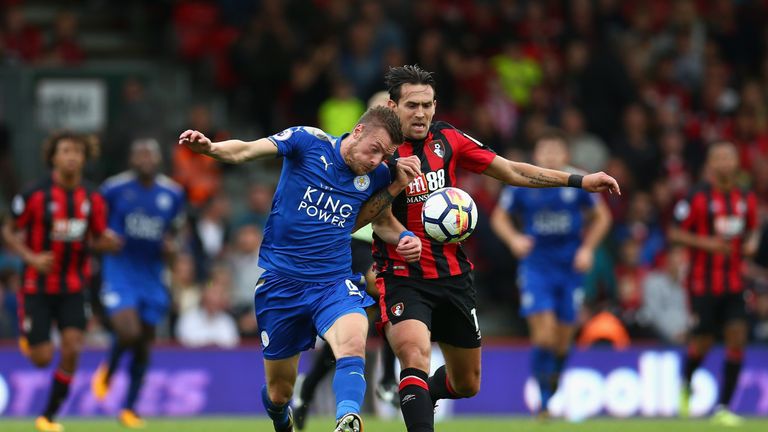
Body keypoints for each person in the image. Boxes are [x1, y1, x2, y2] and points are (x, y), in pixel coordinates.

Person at [366, 65, 619, 432]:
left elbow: (511, 171)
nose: (420, 113)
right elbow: (366, 217)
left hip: (453, 275)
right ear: (393, 106)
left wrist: (578, 180)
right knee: (414, 354)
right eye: (411, 105)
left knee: (467, 383)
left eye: (427, 104)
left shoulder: (448, 140)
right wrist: (395, 210)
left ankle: (427, 394)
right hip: (402, 273)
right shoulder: (379, 153)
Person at [178, 105, 423, 432]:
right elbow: (247, 150)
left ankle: (347, 419)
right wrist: (210, 149)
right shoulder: (308, 141)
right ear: (359, 131)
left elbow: (381, 221)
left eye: (385, 155)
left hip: (333, 283)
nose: (376, 160)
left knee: (353, 340)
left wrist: (406, 237)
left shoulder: (377, 174)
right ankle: (282, 417)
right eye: (374, 149)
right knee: (280, 392)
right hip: (281, 286)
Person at [1, 131, 121, 432]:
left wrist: (109, 242)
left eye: (77, 152)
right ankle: (31, 337)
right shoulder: (34, 194)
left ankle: (49, 417)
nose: (71, 156)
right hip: (37, 287)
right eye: (65, 150)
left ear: (84, 157)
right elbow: (8, 231)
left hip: (73, 286)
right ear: (53, 156)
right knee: (42, 358)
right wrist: (30, 258)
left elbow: (96, 238)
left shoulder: (93, 198)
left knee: (72, 348)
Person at [490, 130, 612, 417]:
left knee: (562, 341)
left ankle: (552, 384)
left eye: (556, 151)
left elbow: (603, 217)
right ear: (537, 155)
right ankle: (543, 401)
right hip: (536, 267)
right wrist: (514, 239)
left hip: (570, 269)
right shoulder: (525, 182)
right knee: (543, 337)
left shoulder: (577, 181)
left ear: (565, 155)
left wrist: (587, 249)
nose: (550, 156)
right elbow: (499, 217)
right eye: (545, 151)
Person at [90, 138, 185, 428]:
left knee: (144, 342)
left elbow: (176, 234)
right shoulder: (114, 189)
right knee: (127, 330)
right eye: (139, 154)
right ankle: (108, 370)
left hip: (152, 274)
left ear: (158, 160)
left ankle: (130, 408)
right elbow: (94, 228)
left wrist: (172, 249)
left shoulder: (172, 193)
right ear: (131, 160)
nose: (145, 159)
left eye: (150, 155)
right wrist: (101, 242)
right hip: (119, 270)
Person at [670, 140, 759, 427]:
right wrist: (705, 242)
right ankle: (685, 382)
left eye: (728, 157)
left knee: (737, 337)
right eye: (718, 157)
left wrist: (753, 242)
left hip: (734, 282)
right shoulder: (696, 197)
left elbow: (754, 227)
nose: (723, 163)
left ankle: (723, 407)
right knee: (703, 342)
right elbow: (674, 232)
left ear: (736, 162)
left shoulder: (745, 197)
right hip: (702, 283)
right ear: (710, 163)